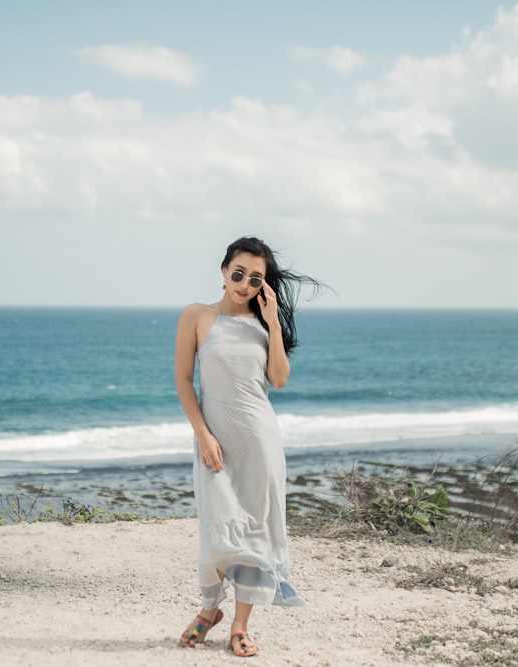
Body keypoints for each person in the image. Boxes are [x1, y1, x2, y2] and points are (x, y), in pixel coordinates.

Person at [174, 236, 321, 657]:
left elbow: (278, 380)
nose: (244, 283)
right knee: (219, 529)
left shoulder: (262, 326)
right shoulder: (197, 316)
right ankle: (209, 608)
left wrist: (274, 323)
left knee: (255, 531)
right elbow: (184, 380)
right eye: (238, 273)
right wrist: (202, 434)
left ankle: (238, 625)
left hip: (260, 441)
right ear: (223, 271)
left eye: (254, 279)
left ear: (263, 285)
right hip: (215, 441)